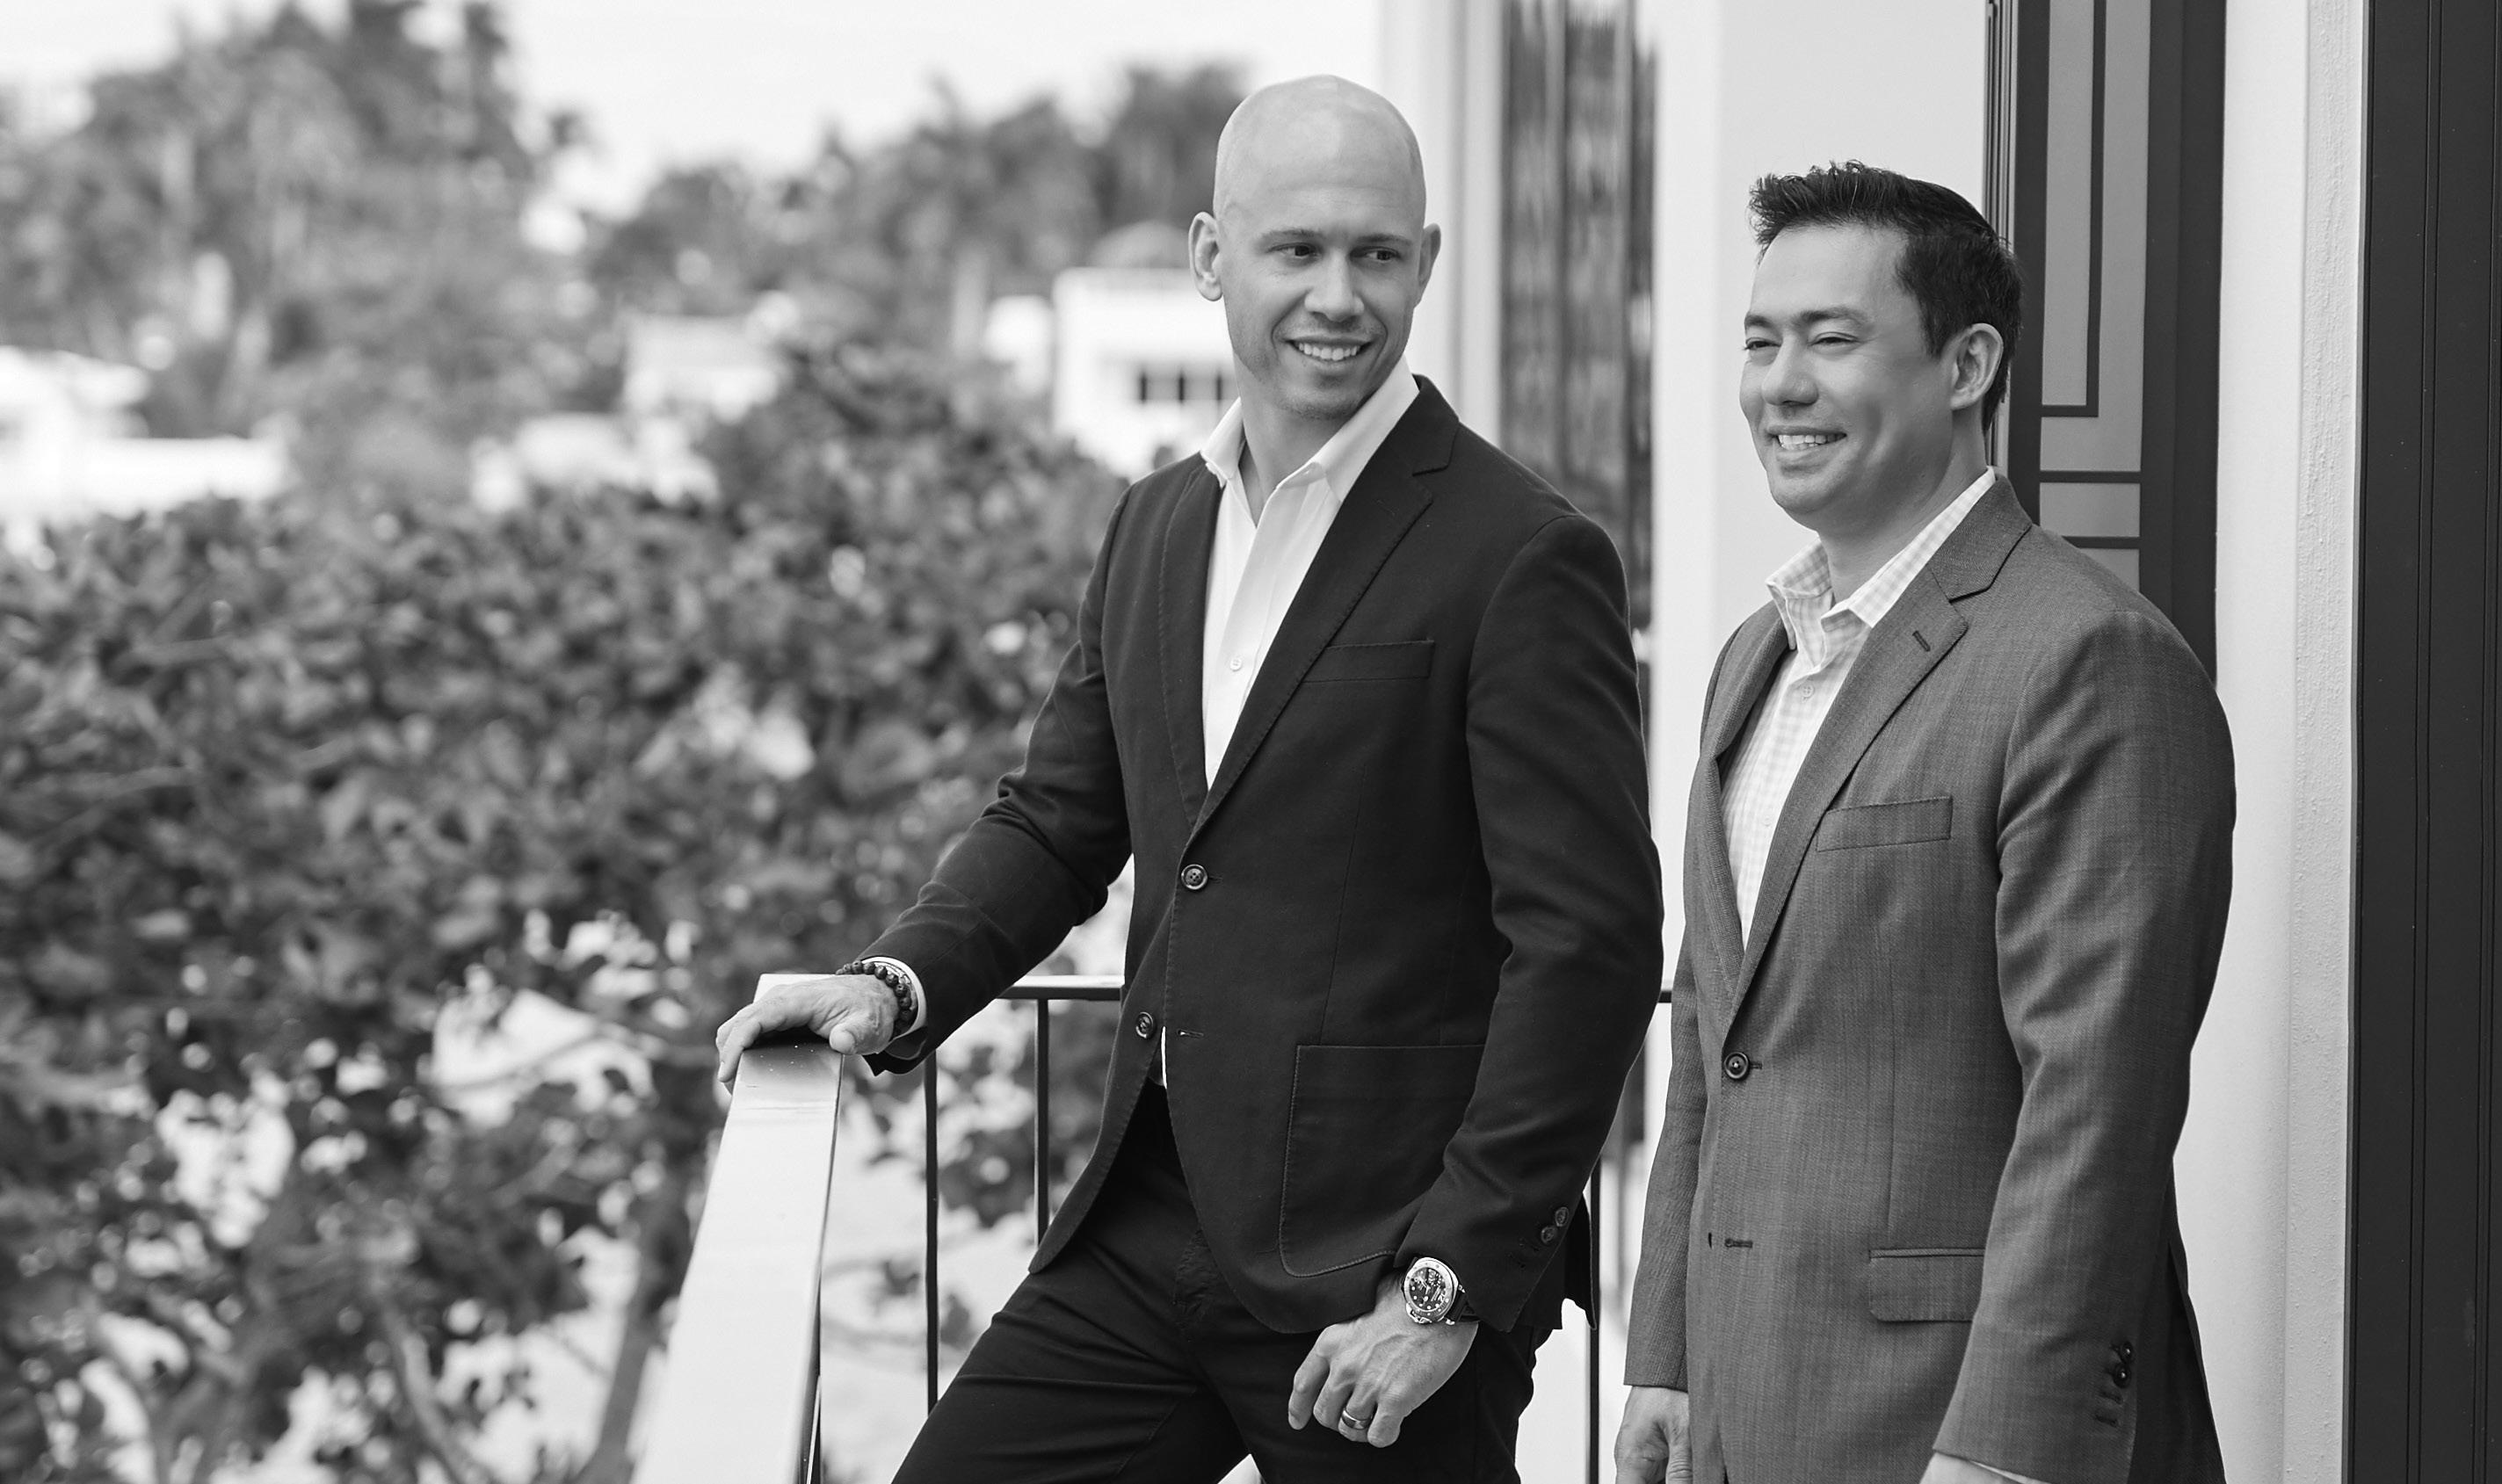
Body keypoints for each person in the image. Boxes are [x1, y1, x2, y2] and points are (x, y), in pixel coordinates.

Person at [716, 76, 1661, 1482]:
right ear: (1215, 257)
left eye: (1376, 254)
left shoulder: (1522, 553)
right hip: (1148, 1223)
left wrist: (1447, 1288)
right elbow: (1058, 819)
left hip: (1383, 1268)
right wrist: (893, 983)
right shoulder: (1156, 524)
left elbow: (1590, 945)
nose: (1338, 295)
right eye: (1297, 250)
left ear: (1426, 263)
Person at [1613, 162, 2233, 1484]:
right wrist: (1665, 1350)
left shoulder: (2088, 659)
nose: (1781, 385)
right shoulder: (1754, 661)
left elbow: (2097, 1104)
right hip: (1742, 1405)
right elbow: (1714, 1035)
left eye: (1831, 339)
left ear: (1968, 365)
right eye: (1761, 342)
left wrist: (2008, 1448)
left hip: (1952, 1426)